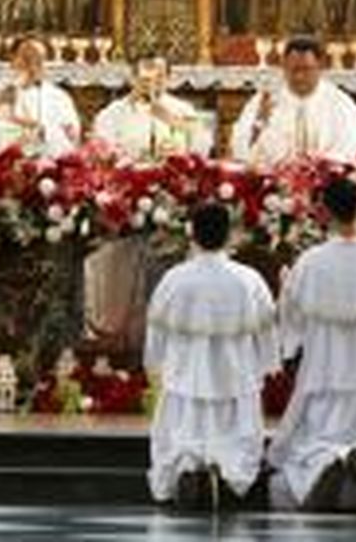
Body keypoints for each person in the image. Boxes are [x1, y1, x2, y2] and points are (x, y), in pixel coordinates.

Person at [268, 177, 356, 511]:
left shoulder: (310, 263)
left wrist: (285, 291)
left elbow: (292, 324)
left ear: (324, 211)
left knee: (314, 439)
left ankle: (324, 463)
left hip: (324, 376)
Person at [145, 202, 279, 509]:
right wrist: (267, 362)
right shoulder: (248, 279)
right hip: (237, 377)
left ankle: (188, 468)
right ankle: (229, 475)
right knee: (237, 433)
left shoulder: (175, 279)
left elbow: (156, 329)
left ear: (192, 234)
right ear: (229, 235)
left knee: (184, 429)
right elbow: (267, 329)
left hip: (186, 376)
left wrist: (155, 363)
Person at [231, 36, 356, 165]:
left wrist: (319, 168)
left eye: (306, 69)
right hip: (276, 182)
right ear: (283, 66)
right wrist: (259, 122)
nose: (299, 77)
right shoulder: (264, 101)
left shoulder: (340, 103)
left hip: (327, 183)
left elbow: (353, 148)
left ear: (320, 66)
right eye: (294, 70)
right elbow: (240, 149)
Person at [0, 37, 81, 158]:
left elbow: (71, 138)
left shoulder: (58, 97)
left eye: (38, 59)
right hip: (1, 161)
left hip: (45, 162)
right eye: (26, 57)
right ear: (13, 60)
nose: (31, 65)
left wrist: (45, 131)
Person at [93, 57, 209, 159]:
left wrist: (173, 122)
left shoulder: (183, 109)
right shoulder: (113, 113)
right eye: (145, 79)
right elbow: (102, 148)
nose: (152, 84)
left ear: (168, 79)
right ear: (133, 79)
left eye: (159, 77)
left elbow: (203, 146)